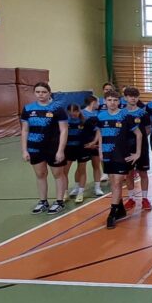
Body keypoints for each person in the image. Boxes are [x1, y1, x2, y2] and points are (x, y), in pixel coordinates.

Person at [20, 82, 69, 215]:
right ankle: (43, 201)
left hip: (53, 147)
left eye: (43, 92)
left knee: (58, 174)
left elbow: (64, 130)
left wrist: (61, 150)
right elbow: (25, 130)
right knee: (40, 174)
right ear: (34, 93)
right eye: (38, 92)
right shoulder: (28, 109)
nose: (40, 95)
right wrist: (24, 150)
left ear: (49, 93)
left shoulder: (57, 108)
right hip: (35, 147)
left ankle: (59, 202)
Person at [95, 90, 142, 228]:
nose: (112, 103)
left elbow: (138, 134)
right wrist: (100, 150)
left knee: (117, 182)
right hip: (107, 154)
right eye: (109, 100)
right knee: (113, 182)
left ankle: (112, 213)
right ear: (105, 101)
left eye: (115, 100)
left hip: (121, 155)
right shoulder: (101, 116)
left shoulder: (125, 115)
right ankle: (120, 208)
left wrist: (137, 153)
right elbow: (100, 134)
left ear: (119, 101)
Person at [122, 87, 152, 212]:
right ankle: (131, 198)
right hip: (126, 148)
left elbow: (148, 129)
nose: (133, 98)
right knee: (129, 174)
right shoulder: (121, 113)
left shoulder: (143, 113)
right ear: (125, 97)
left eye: (135, 96)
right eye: (130, 96)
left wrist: (140, 141)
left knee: (143, 173)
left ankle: (144, 198)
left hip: (142, 147)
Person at [64, 103, 95, 204]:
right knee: (64, 172)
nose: (73, 113)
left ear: (79, 111)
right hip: (68, 149)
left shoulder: (85, 121)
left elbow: (97, 131)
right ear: (67, 111)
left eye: (75, 111)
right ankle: (65, 193)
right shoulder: (65, 121)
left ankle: (80, 193)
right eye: (70, 111)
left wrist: (93, 143)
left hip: (82, 149)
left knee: (82, 170)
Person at [81, 95, 105, 196]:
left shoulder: (98, 114)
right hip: (84, 143)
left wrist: (94, 142)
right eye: (98, 102)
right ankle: (79, 188)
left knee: (96, 165)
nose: (99, 104)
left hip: (95, 142)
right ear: (93, 102)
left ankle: (97, 187)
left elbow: (99, 130)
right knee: (81, 167)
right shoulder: (81, 113)